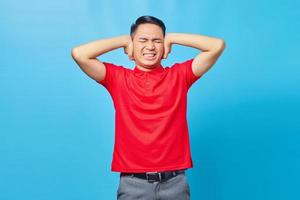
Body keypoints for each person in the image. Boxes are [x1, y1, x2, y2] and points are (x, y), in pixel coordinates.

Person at [71, 15, 225, 200]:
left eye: (157, 41)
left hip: (175, 183)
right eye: (143, 40)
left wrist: (173, 37)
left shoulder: (179, 76)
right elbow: (79, 54)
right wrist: (123, 41)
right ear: (132, 45)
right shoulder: (118, 79)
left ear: (165, 46)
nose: (150, 47)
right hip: (133, 184)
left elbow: (217, 45)